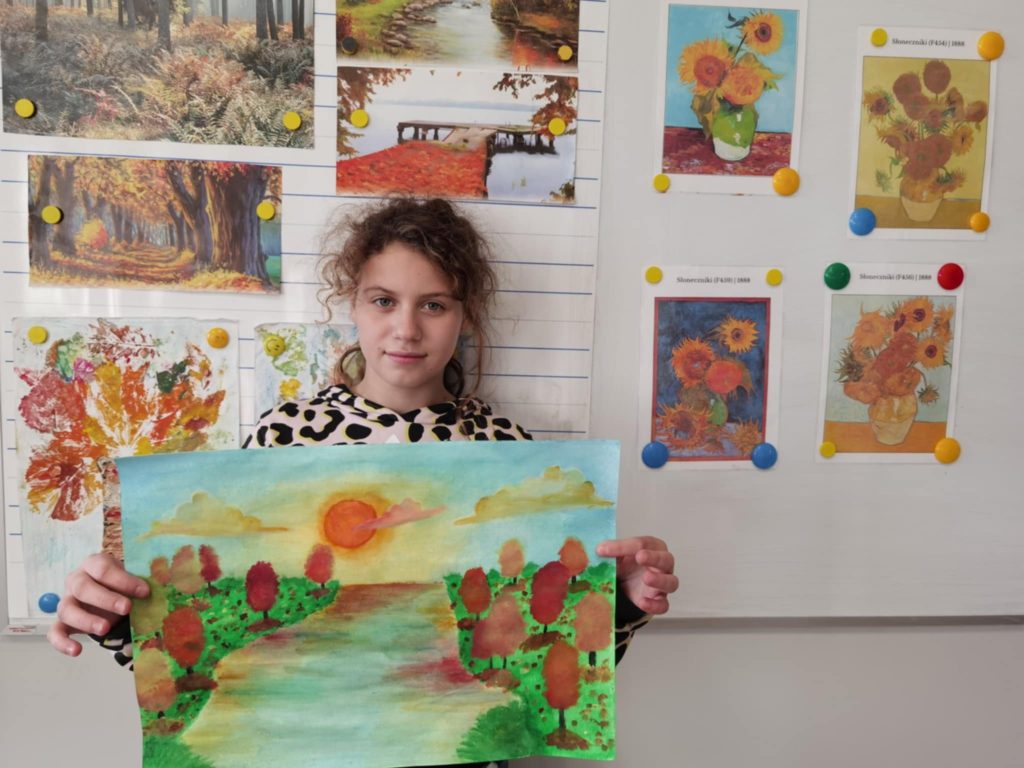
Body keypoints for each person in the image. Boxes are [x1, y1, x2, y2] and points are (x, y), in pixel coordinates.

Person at [48, 197, 680, 768]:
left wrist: (623, 599)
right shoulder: (284, 436)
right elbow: (196, 639)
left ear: (465, 317)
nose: (406, 328)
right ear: (351, 305)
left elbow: (549, 664)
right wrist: (116, 616)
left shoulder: (507, 448)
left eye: (434, 305)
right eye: (383, 301)